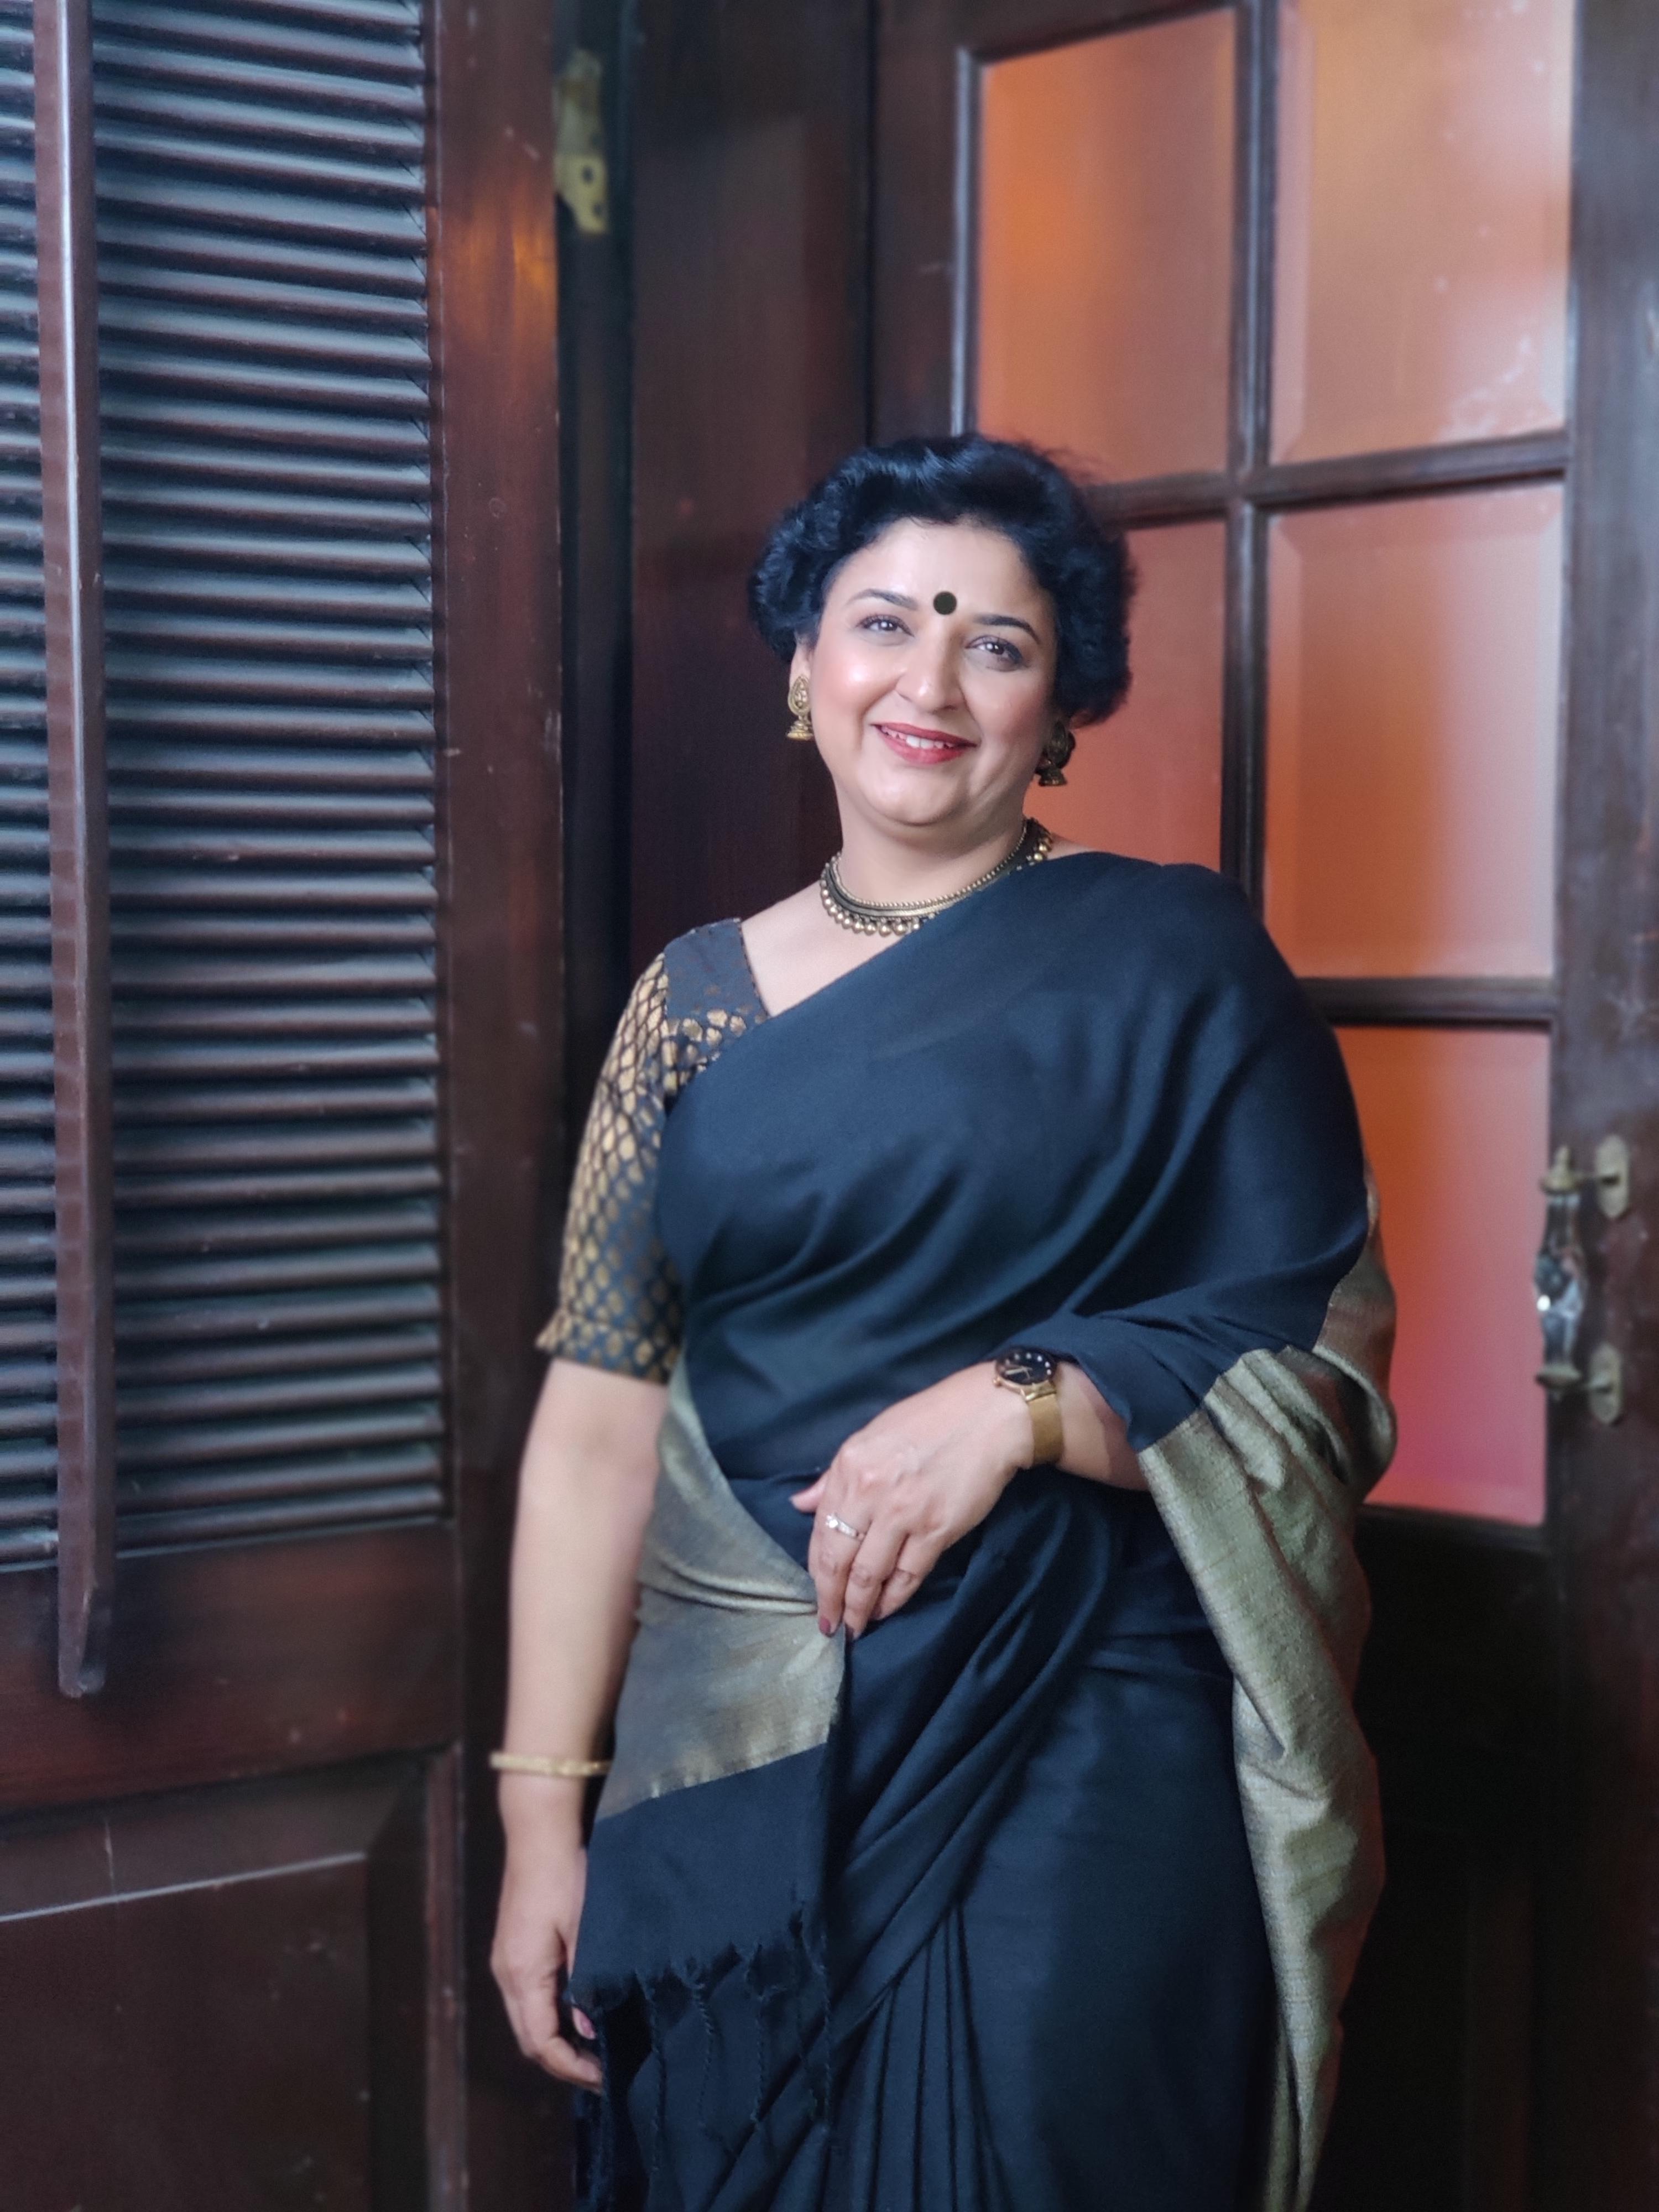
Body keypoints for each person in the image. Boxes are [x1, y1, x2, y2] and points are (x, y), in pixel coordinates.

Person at [491, 434, 1395, 2212]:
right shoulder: (688, 1010)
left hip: (1084, 1743)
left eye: (997, 643)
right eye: (885, 623)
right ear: (805, 666)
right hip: (733, 1756)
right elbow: (599, 1428)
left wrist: (1025, 1403)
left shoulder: (1178, 968)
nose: (931, 683)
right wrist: (539, 1820)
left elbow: (1316, 1361)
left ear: (1059, 707)